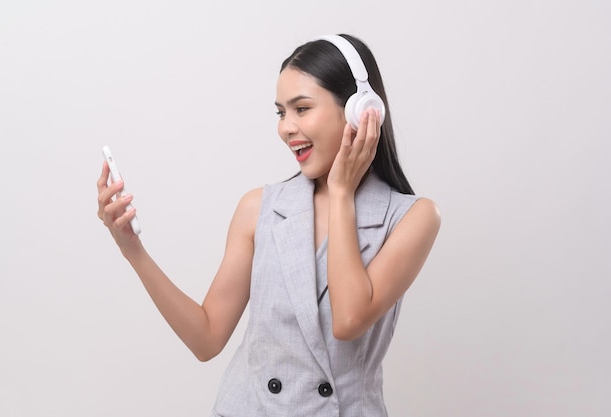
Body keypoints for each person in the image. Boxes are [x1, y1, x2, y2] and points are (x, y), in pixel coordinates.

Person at [97, 33, 440, 417]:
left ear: (362, 111)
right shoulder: (259, 207)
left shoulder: (412, 217)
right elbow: (206, 338)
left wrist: (342, 193)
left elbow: (348, 320)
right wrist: (133, 250)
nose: (286, 128)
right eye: (281, 112)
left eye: (302, 108)